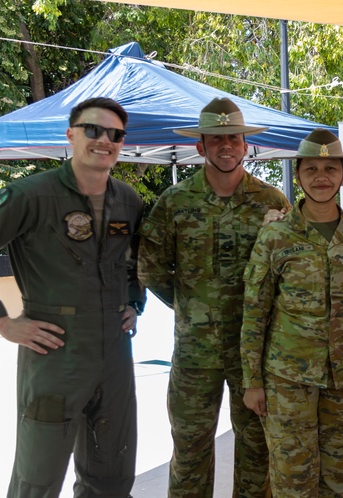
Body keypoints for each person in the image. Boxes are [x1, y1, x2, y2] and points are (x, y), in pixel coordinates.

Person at [0, 97, 145, 497]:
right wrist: (3, 322)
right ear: (70, 135)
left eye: (115, 134)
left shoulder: (129, 200)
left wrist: (134, 303)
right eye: (93, 130)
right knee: (39, 472)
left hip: (114, 350)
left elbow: (136, 260)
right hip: (55, 348)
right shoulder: (30, 195)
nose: (104, 140)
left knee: (114, 468)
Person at [138, 97, 289, 498]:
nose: (226, 146)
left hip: (254, 355)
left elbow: (289, 270)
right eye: (216, 139)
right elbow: (151, 268)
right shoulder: (175, 202)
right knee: (190, 453)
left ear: (245, 145)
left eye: (234, 139)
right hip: (194, 353)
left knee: (258, 452)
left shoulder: (271, 202)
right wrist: (192, 305)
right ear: (201, 146)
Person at [240, 129, 343, 497]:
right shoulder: (276, 235)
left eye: (331, 168)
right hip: (287, 382)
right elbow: (255, 310)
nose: (321, 177)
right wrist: (252, 381)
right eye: (312, 168)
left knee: (338, 482)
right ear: (298, 174)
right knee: (292, 482)